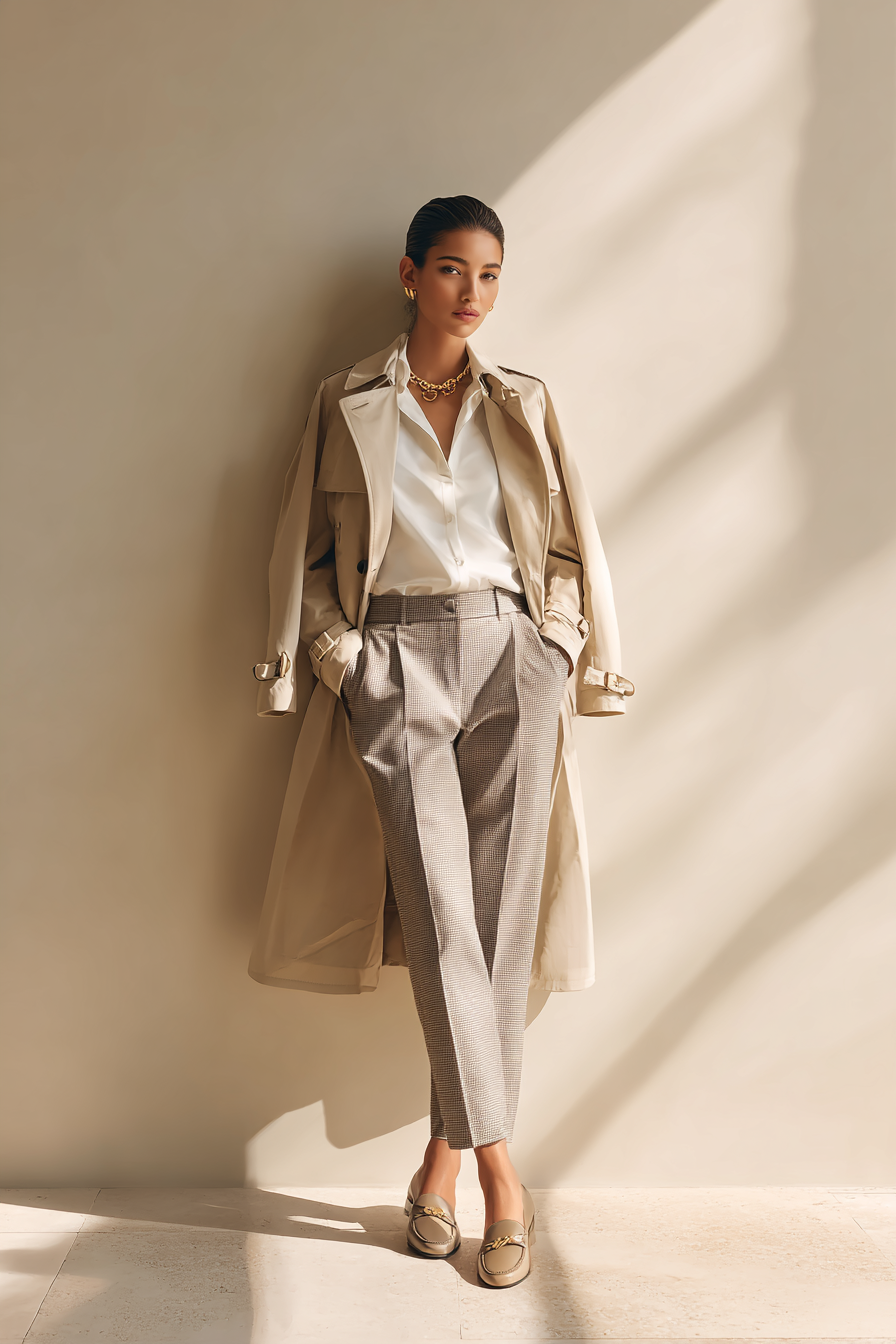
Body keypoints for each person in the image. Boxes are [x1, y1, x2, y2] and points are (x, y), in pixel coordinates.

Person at [251, 195, 633, 1287]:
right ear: (410, 274)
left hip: (514, 655)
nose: (474, 293)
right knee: (439, 919)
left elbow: (564, 544)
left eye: (491, 274)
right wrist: (342, 658)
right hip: (397, 660)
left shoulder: (523, 401)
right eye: (455, 269)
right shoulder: (346, 400)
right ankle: (504, 1176)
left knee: (495, 933)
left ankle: (438, 1163)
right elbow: (305, 552)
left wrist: (557, 643)